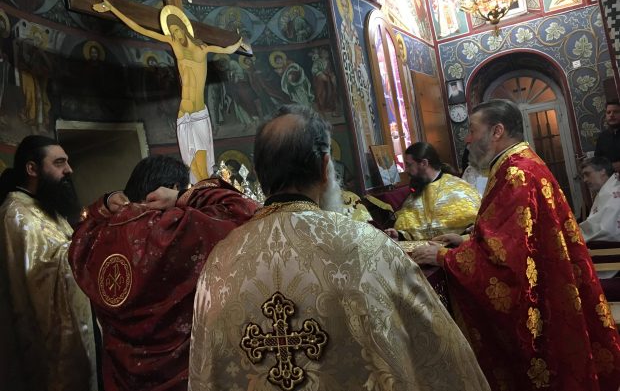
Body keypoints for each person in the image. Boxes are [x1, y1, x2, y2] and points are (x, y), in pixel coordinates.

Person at [188, 105, 491, 391]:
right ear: (325, 167)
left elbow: (205, 371)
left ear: (258, 172)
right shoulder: (368, 247)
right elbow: (438, 355)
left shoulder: (221, 262)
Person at [411, 99, 620, 391]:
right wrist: (468, 240)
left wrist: (443, 256)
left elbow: (507, 260)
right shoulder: (519, 163)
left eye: (472, 130)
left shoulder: (515, 173)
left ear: (497, 131)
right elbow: (516, 235)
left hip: (543, 299)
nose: (468, 139)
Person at [69, 155, 259, 391]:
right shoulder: (178, 228)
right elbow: (246, 210)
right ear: (173, 187)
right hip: (181, 378)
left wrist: (106, 202)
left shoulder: (95, 237)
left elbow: (81, 227)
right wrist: (183, 196)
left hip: (122, 380)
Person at [93, 0, 248, 182]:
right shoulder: (174, 44)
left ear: (184, 30)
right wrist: (112, 8)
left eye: (177, 30)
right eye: (172, 32)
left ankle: (209, 189)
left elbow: (226, 50)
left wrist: (239, 42)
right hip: (183, 111)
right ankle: (199, 191)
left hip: (198, 110)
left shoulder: (202, 49)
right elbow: (141, 29)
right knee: (190, 164)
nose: (175, 35)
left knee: (203, 160)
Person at [0, 135, 96, 391]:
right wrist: (85, 248)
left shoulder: (47, 208)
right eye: (59, 163)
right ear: (32, 169)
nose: (69, 170)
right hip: (44, 349)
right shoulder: (15, 215)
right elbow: (31, 283)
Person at [385, 142, 480, 240]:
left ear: (424, 163)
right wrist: (399, 235)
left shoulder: (460, 189)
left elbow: (472, 228)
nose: (407, 170)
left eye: (409, 165)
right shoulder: (416, 191)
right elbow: (411, 227)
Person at [580, 157, 620, 276]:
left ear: (602, 171)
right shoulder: (608, 189)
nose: (585, 180)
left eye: (587, 174)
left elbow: (608, 231)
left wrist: (576, 234)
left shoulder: (613, 193)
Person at [595, 100, 620, 174]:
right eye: (608, 112)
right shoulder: (602, 137)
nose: (611, 115)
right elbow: (598, 161)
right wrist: (609, 166)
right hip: (610, 178)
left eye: (615, 112)